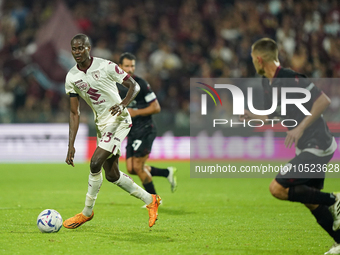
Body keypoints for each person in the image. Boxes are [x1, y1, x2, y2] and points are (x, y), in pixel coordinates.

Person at [240, 38, 340, 255]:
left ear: (259, 59)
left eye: (252, 58)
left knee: (277, 188)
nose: (252, 62)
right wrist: (254, 116)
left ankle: (336, 198)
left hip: (317, 143)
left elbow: (323, 101)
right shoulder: (267, 83)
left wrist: (300, 128)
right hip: (306, 146)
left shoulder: (289, 77)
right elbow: (276, 112)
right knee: (310, 200)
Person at [63, 34, 161, 229]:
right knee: (112, 175)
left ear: (89, 48)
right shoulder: (72, 77)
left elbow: (135, 86)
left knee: (95, 162)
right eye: (74, 49)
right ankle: (151, 200)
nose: (77, 52)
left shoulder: (106, 66)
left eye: (81, 48)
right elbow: (75, 113)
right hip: (102, 124)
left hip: (119, 120)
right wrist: (71, 145)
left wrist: (123, 104)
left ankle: (86, 213)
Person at [117, 52, 177, 197]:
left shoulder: (141, 84)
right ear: (119, 67)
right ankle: (166, 172)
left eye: (132, 66)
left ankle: (154, 200)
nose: (130, 69)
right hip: (131, 131)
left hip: (145, 129)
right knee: (131, 168)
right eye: (127, 66)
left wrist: (135, 112)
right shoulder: (115, 85)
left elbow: (156, 107)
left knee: (138, 166)